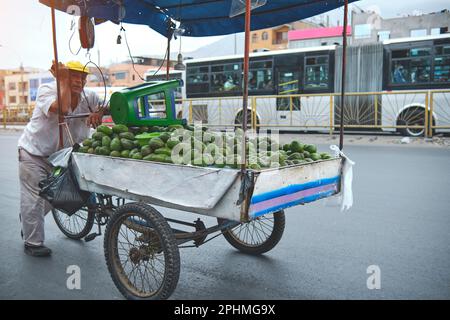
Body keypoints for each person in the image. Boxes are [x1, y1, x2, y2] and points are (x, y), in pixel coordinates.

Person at [18, 61, 104, 257]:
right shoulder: (47, 90)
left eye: (83, 77)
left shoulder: (89, 97)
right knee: (34, 200)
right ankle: (33, 243)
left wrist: (98, 113)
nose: (79, 81)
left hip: (63, 157)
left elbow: (104, 106)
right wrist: (62, 81)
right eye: (74, 76)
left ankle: (28, 218)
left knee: (55, 196)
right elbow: (63, 108)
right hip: (35, 154)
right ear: (62, 77)